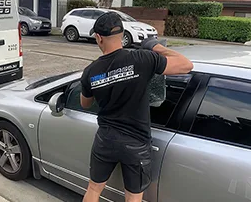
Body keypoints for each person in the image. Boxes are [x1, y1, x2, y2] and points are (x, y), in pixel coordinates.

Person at [80, 12, 193, 202]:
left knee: (93, 188)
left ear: (99, 38)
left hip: (106, 139)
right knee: (133, 197)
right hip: (136, 144)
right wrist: (154, 47)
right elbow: (186, 65)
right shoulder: (142, 59)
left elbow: (85, 103)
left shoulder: (90, 71)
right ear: (122, 34)